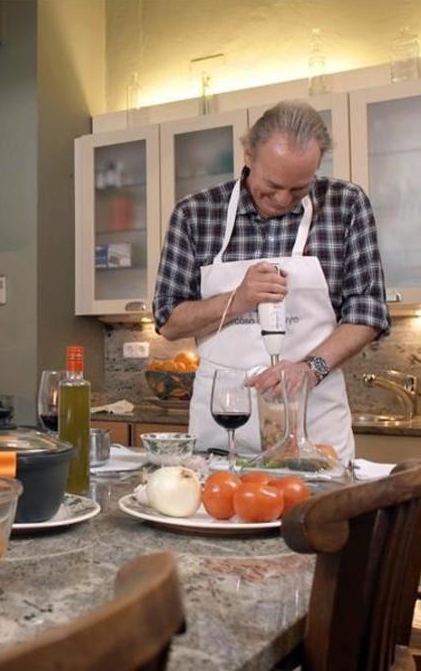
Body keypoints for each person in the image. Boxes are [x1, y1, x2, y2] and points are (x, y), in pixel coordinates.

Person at [153, 101, 390, 460]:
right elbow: (168, 321)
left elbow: (368, 312)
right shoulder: (195, 214)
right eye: (272, 185)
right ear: (248, 155)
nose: (282, 200)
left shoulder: (346, 204)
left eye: (298, 189)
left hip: (314, 427)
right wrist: (240, 299)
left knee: (316, 516)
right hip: (223, 428)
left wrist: (311, 369)